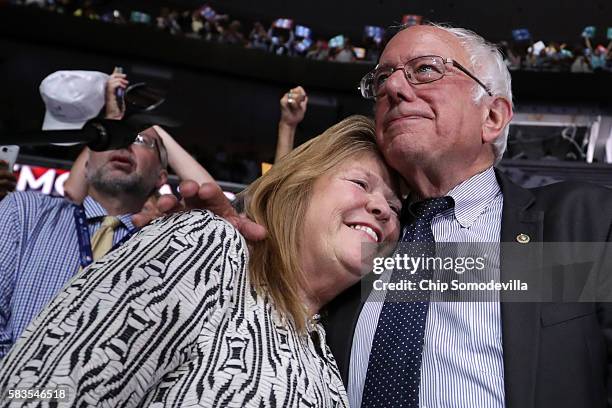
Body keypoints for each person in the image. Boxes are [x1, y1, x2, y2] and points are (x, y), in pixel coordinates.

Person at [152, 22, 612, 408]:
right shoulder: (358, 243)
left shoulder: (579, 222)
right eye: (382, 78)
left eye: (425, 70)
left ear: (492, 117)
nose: (392, 87)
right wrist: (247, 262)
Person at [0, 116, 402, 407]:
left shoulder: (323, 354)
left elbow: (462, 277)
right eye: (360, 183)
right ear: (295, 189)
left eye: (396, 207)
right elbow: (39, 387)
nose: (382, 209)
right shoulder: (210, 247)